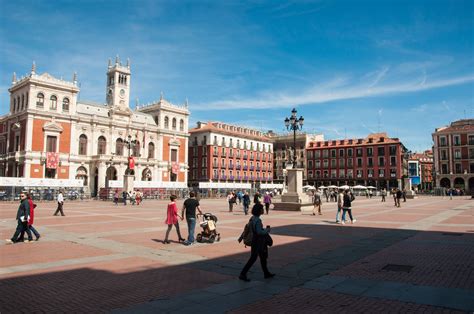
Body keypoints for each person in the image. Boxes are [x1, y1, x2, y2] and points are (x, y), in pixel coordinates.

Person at [239, 203, 275, 282]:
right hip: (258, 242)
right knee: (254, 258)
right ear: (259, 210)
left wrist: (241, 237)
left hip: (255, 241)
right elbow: (259, 232)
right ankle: (243, 274)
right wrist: (267, 230)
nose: (263, 210)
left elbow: (249, 228)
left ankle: (266, 273)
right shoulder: (258, 220)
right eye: (262, 209)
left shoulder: (252, 218)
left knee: (262, 257)